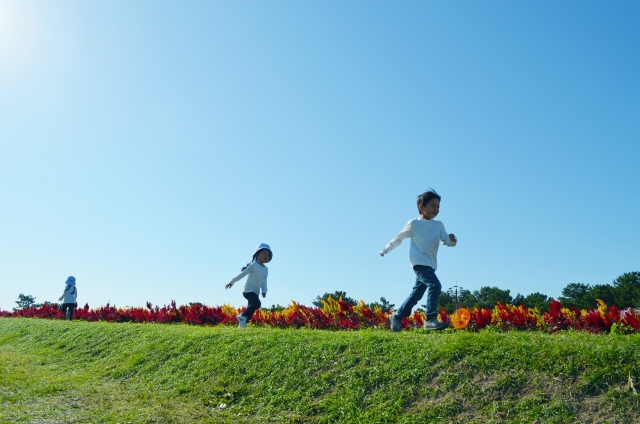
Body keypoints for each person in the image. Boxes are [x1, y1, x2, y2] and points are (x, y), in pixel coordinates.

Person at [380, 190, 457, 331]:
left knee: (417, 294)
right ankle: (430, 319)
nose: (436, 209)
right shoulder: (414, 224)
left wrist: (452, 240)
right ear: (422, 207)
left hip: (431, 265)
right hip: (419, 264)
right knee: (435, 285)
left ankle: (396, 317)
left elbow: (447, 241)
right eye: (433, 205)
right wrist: (385, 250)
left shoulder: (438, 225)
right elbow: (399, 238)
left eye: (438, 207)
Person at [225, 243, 272, 328]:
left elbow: (264, 280)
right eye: (263, 253)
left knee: (251, 309)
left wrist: (264, 291)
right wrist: (232, 282)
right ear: (257, 254)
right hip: (248, 290)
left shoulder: (266, 269)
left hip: (256, 292)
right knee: (257, 303)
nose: (266, 256)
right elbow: (242, 274)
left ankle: (241, 325)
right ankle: (242, 315)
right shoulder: (253, 265)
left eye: (268, 254)